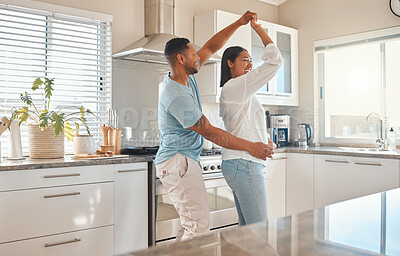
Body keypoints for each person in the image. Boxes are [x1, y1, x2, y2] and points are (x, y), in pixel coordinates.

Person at [155, 11, 274, 241]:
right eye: (193, 55)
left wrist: (239, 23)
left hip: (184, 160)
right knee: (198, 227)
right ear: (181, 59)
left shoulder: (185, 77)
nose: (199, 58)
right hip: (178, 162)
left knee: (191, 226)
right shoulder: (176, 95)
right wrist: (251, 146)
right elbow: (210, 132)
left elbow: (210, 47)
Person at [219, 18, 283, 225]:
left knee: (248, 232)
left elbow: (240, 124)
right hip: (244, 164)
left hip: (240, 163)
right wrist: (258, 29)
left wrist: (263, 139)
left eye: (250, 60)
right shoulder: (237, 86)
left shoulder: (238, 90)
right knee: (259, 231)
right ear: (230, 63)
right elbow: (275, 61)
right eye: (244, 59)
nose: (250, 64)